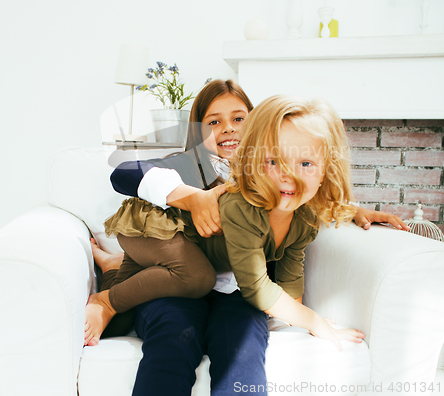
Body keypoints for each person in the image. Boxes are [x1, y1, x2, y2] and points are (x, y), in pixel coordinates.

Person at [86, 81, 410, 395]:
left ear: (257, 126)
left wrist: (351, 210)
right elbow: (124, 172)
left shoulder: (279, 173)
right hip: (181, 272)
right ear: (198, 133)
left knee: (241, 344)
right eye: (215, 122)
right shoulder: (193, 164)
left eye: (238, 118)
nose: (228, 128)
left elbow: (302, 187)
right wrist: (190, 197)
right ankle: (114, 271)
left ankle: (115, 263)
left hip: (234, 289)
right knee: (171, 333)